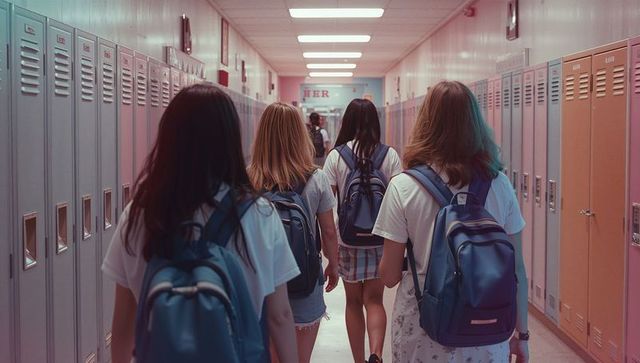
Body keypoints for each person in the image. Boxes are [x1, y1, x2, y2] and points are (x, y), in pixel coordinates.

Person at [102, 84, 300, 363]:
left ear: (169, 138)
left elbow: (123, 323)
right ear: (230, 140)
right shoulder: (260, 215)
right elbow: (279, 315)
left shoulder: (140, 214)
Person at [373, 81, 529, 363]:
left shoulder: (402, 186)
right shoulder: (500, 184)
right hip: (486, 332)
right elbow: (517, 269)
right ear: (475, 122)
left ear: (425, 123)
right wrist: (524, 336)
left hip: (423, 331)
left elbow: (389, 276)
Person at [248, 102, 340, 363]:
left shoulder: (248, 180)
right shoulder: (317, 178)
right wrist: (333, 265)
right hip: (304, 280)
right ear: (300, 135)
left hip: (260, 284)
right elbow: (329, 231)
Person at [323, 98, 402, 363]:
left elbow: (326, 204)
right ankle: (376, 354)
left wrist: (328, 249)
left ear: (346, 122)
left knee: (353, 302)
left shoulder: (336, 156)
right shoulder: (389, 155)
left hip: (348, 241)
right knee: (375, 300)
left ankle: (359, 360)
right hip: (380, 240)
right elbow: (397, 200)